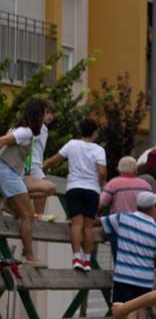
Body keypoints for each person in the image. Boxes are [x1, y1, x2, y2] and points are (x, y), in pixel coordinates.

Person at [99, 192, 156, 319]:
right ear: (152, 208)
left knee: (128, 310)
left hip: (125, 274)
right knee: (141, 313)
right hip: (145, 278)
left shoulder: (123, 218)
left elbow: (102, 223)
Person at [43, 117, 106, 272]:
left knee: (76, 224)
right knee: (89, 227)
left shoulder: (72, 144)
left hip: (74, 188)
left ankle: (76, 258)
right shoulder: (99, 150)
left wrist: (43, 167)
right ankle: (87, 261)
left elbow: (55, 160)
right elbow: (102, 172)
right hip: (92, 190)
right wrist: (101, 186)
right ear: (95, 133)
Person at [0, 98, 48, 266]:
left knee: (47, 188)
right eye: (44, 114)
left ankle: (8, 202)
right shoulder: (25, 132)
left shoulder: (22, 129)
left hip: (12, 173)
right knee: (28, 215)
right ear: (38, 116)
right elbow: (2, 141)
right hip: (8, 172)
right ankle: (29, 256)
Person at [21, 99, 57, 219]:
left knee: (43, 189)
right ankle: (39, 213)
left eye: (52, 113)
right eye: (47, 112)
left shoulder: (44, 129)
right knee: (43, 184)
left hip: (37, 163)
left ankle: (36, 212)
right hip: (32, 163)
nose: (50, 116)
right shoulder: (38, 127)